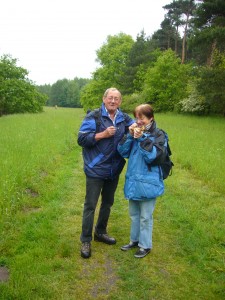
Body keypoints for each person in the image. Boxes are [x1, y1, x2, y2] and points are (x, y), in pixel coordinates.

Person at [77, 87, 134, 259]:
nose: (113, 101)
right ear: (104, 99)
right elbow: (81, 139)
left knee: (107, 203)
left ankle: (100, 232)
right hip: (95, 169)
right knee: (90, 205)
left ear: (120, 102)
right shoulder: (93, 117)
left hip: (113, 169)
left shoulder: (124, 118)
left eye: (116, 98)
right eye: (110, 98)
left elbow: (135, 126)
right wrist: (102, 134)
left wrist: (135, 130)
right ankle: (86, 240)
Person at [117, 104, 167, 258]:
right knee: (134, 214)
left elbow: (154, 157)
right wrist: (130, 135)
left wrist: (142, 138)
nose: (138, 121)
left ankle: (145, 246)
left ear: (150, 118)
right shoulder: (134, 132)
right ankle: (134, 240)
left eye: (142, 118)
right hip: (133, 180)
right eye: (137, 117)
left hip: (148, 183)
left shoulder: (159, 135)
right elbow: (123, 151)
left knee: (146, 216)